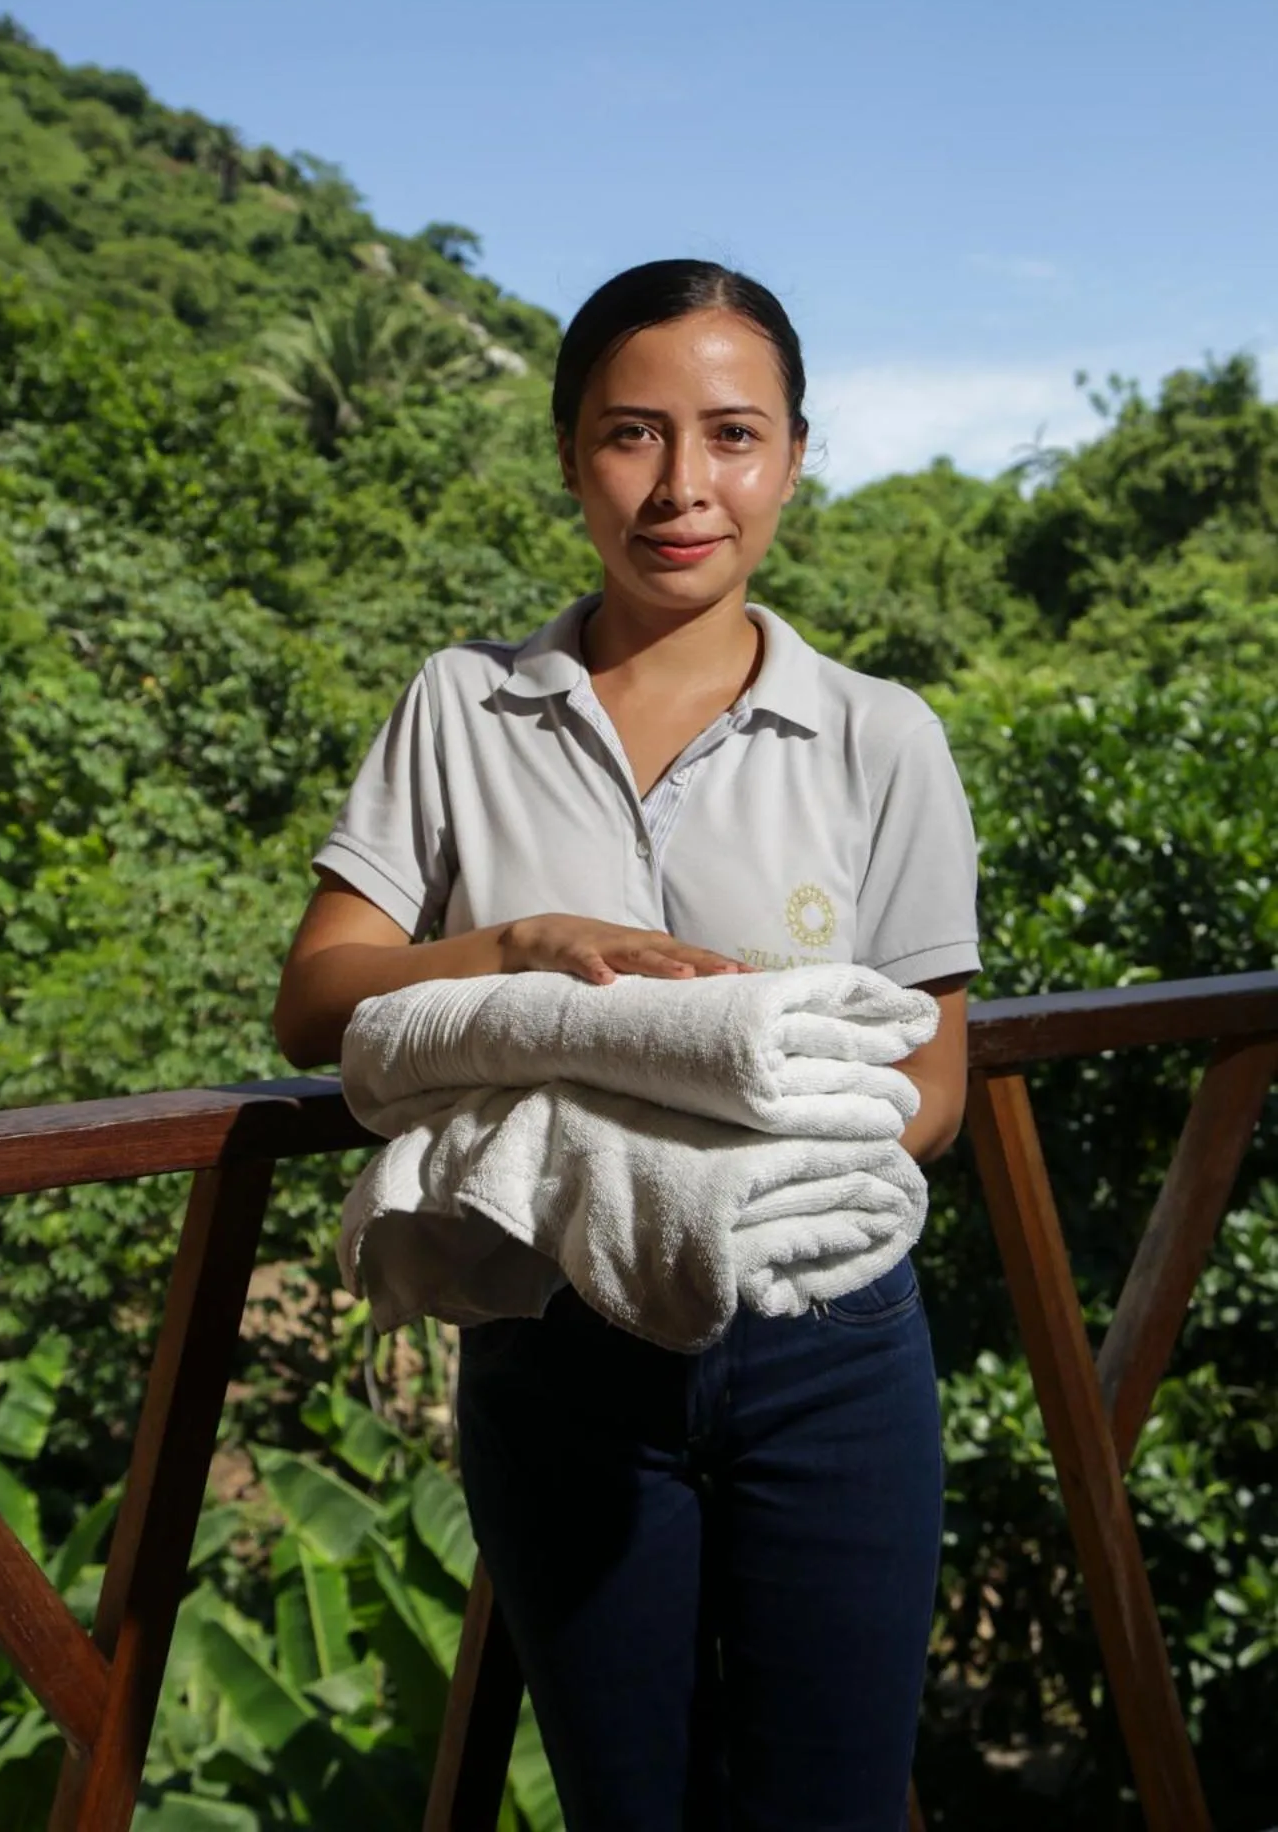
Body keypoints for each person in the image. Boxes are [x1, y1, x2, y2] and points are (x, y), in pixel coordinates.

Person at [274, 259, 981, 1832]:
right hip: (555, 1331)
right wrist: (521, 948)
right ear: (568, 453)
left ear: (795, 454)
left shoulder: (881, 736)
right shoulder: (466, 707)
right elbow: (321, 998)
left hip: (828, 1338)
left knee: (835, 1805)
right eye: (631, 434)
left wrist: (759, 1188)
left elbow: (931, 1081)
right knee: (629, 1804)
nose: (683, 487)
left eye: (732, 435)